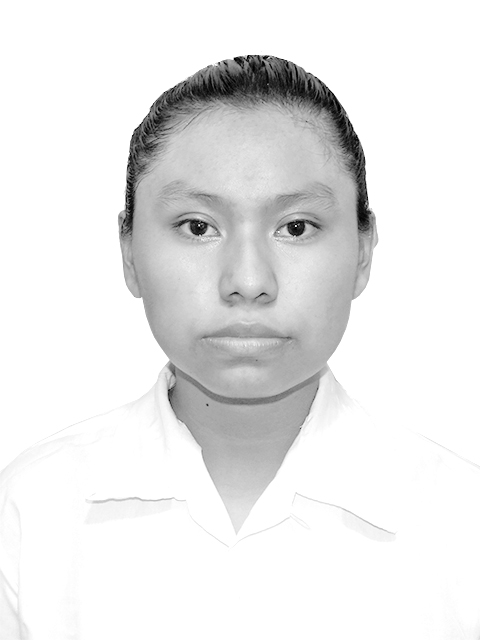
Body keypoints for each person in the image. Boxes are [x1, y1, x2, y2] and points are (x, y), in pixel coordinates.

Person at [1, 55, 479, 640]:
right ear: (129, 254)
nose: (248, 281)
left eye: (296, 227)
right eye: (198, 226)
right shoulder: (30, 511)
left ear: (363, 252)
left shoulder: (464, 525)